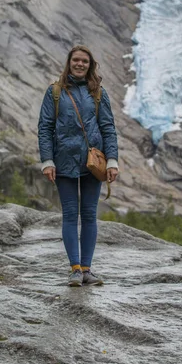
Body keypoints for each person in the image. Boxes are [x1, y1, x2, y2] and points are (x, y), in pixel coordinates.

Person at [38, 45, 119, 286]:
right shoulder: (54, 92)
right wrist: (47, 161)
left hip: (92, 164)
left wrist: (112, 161)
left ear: (90, 64)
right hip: (63, 163)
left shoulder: (98, 93)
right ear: (69, 62)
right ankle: (74, 268)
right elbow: (45, 128)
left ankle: (87, 269)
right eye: (76, 60)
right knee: (71, 215)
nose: (80, 64)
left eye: (85, 61)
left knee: (90, 216)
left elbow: (108, 128)